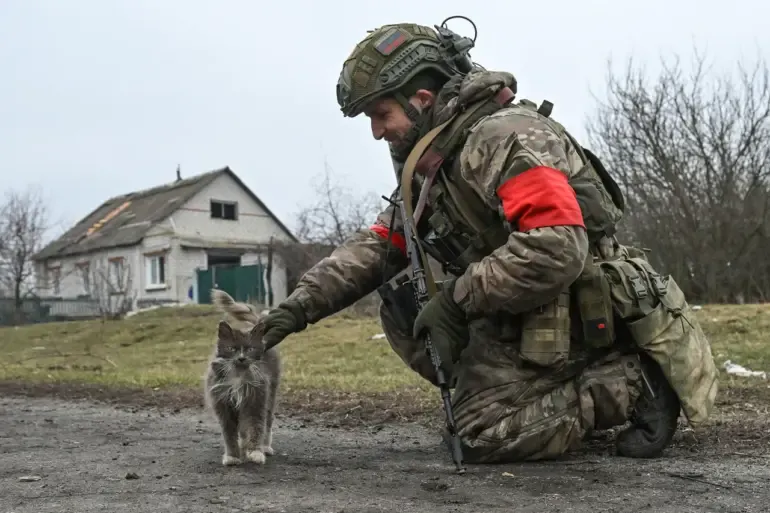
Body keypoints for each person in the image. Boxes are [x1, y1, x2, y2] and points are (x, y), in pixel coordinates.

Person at [260, 20, 719, 463]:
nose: (377, 131)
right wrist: (296, 309)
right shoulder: (437, 155)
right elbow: (384, 240)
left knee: (482, 436)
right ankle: (498, 395)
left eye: (382, 115)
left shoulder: (505, 137)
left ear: (421, 98)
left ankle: (635, 380)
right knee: (402, 308)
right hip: (531, 303)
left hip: (585, 308)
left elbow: (556, 246)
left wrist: (459, 300)